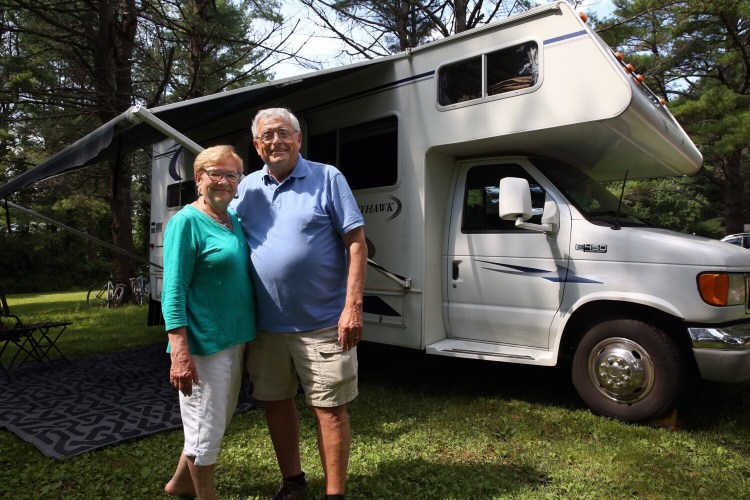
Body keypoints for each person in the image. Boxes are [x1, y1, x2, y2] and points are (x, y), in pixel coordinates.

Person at [231, 108, 366, 500]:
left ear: (298, 138)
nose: (276, 141)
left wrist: (352, 306)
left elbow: (356, 244)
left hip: (323, 321)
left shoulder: (328, 177)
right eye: (267, 136)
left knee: (329, 409)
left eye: (283, 133)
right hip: (266, 326)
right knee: (275, 402)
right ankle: (293, 481)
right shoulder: (246, 188)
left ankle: (334, 493)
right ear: (257, 146)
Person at [162, 145, 256, 500]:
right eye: (215, 173)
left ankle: (179, 484)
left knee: (216, 420)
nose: (223, 181)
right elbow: (173, 291)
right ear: (198, 179)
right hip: (203, 343)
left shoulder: (234, 220)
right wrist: (179, 352)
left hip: (234, 337)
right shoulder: (185, 222)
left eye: (231, 175)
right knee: (205, 425)